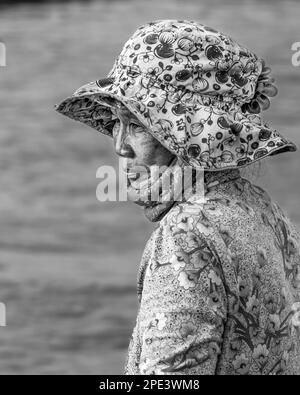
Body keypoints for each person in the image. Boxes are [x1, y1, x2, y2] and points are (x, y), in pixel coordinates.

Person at [55, 20, 300, 375]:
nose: (119, 145)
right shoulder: (267, 213)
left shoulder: (185, 239)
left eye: (137, 125)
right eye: (117, 122)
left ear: (188, 137)